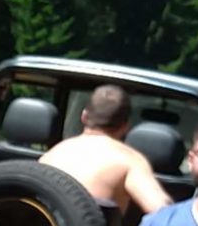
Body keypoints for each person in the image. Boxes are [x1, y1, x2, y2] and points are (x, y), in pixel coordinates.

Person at [39, 84, 173, 218]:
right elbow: (164, 214)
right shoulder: (130, 160)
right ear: (125, 126)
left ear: (84, 116)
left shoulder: (51, 155)